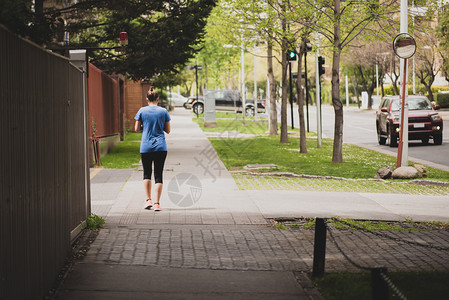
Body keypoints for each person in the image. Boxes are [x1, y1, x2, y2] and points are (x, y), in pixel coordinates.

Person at [134, 87, 171, 211]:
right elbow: (168, 130)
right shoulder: (163, 111)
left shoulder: (141, 111)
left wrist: (145, 126)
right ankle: (157, 203)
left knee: (147, 173)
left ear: (146, 99)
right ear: (158, 99)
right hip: (161, 146)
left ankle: (148, 200)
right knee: (158, 174)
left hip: (146, 146)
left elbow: (136, 129)